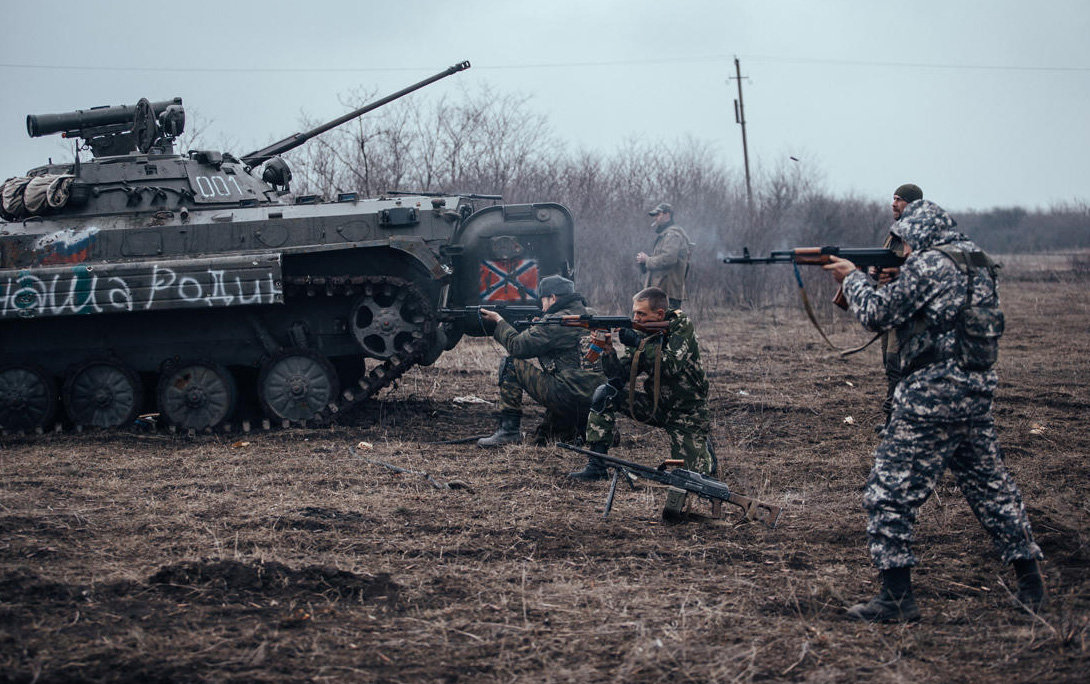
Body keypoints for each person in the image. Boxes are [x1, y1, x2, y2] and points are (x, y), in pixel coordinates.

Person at [823, 198, 1045, 622]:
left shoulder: (929, 266)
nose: (904, 250)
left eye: (907, 242)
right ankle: (1031, 585)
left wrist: (852, 280)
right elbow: (942, 314)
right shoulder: (978, 262)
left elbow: (877, 314)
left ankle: (895, 598)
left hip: (929, 399)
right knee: (993, 491)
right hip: (974, 395)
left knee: (888, 494)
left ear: (920, 233)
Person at [569, 287, 713, 484]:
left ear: (659, 314)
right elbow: (619, 378)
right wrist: (609, 351)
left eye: (641, 314)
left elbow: (670, 365)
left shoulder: (680, 325)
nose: (635, 318)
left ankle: (701, 441)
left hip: (687, 412)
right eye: (634, 312)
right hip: (657, 406)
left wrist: (639, 342)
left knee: (696, 480)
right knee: (606, 394)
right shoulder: (640, 332)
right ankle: (596, 466)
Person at [477, 275, 606, 447]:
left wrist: (499, 322)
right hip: (597, 397)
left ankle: (509, 432)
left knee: (511, 365)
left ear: (553, 298)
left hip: (569, 395)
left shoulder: (556, 322)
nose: (542, 307)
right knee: (545, 437)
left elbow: (517, 346)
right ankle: (586, 427)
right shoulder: (590, 315)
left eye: (543, 300)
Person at [874, 183, 924, 431]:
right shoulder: (895, 233)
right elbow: (886, 267)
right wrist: (876, 272)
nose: (893, 203)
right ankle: (893, 420)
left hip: (907, 311)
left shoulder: (918, 232)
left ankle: (899, 423)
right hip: (890, 309)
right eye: (893, 198)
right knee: (889, 362)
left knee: (899, 365)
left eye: (899, 199)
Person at [636, 202, 693, 310]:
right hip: (661, 292)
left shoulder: (673, 235)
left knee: (667, 324)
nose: (656, 218)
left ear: (667, 215)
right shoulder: (666, 235)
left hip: (668, 293)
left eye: (658, 215)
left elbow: (669, 259)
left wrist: (647, 260)